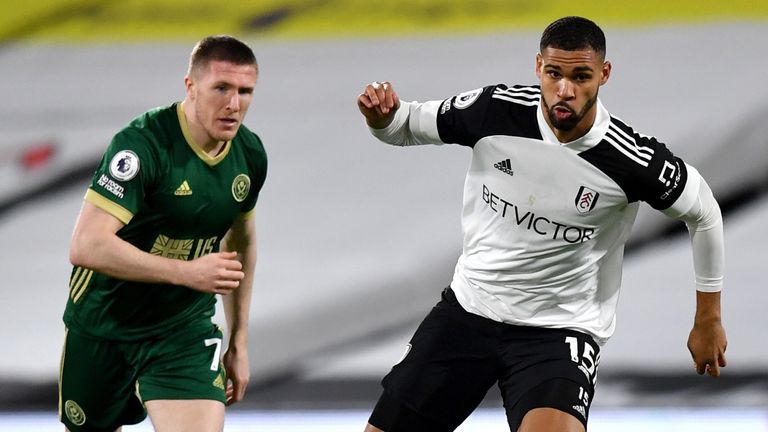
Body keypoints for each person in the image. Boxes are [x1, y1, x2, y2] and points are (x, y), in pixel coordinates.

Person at [357, 16, 727, 432]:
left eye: (581, 76)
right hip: (469, 311)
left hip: (558, 331)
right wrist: (380, 117)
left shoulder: (629, 159)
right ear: (538, 67)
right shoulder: (493, 111)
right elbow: (403, 124)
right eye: (554, 73)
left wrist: (708, 318)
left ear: (604, 74)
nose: (564, 90)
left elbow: (704, 212)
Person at [59, 35, 267, 432]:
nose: (234, 104)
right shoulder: (143, 145)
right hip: (104, 324)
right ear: (190, 87)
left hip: (183, 330)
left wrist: (239, 339)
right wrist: (187, 272)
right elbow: (86, 244)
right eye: (221, 88)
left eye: (245, 91)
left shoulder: (249, 155)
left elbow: (241, 243)